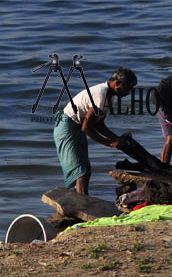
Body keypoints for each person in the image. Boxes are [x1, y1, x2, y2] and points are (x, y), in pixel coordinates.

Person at [53, 66, 137, 194]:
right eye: (127, 88)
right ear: (117, 84)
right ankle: (83, 203)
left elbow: (99, 124)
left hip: (75, 125)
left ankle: (80, 198)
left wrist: (116, 138)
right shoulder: (101, 95)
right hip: (68, 125)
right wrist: (108, 143)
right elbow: (86, 127)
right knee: (81, 171)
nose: (128, 93)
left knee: (84, 169)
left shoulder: (109, 96)